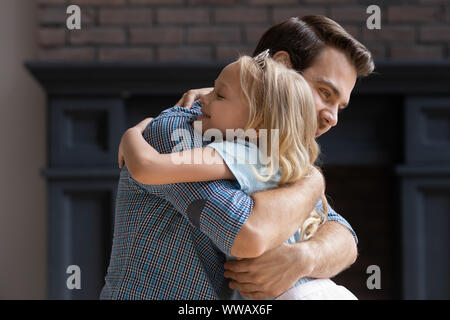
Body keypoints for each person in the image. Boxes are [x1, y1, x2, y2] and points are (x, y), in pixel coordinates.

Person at [100, 15, 374, 300]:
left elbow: (343, 235)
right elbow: (249, 232)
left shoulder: (269, 148)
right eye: (324, 92)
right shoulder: (184, 133)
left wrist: (303, 256)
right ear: (281, 67)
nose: (333, 118)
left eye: (340, 106)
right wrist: (313, 181)